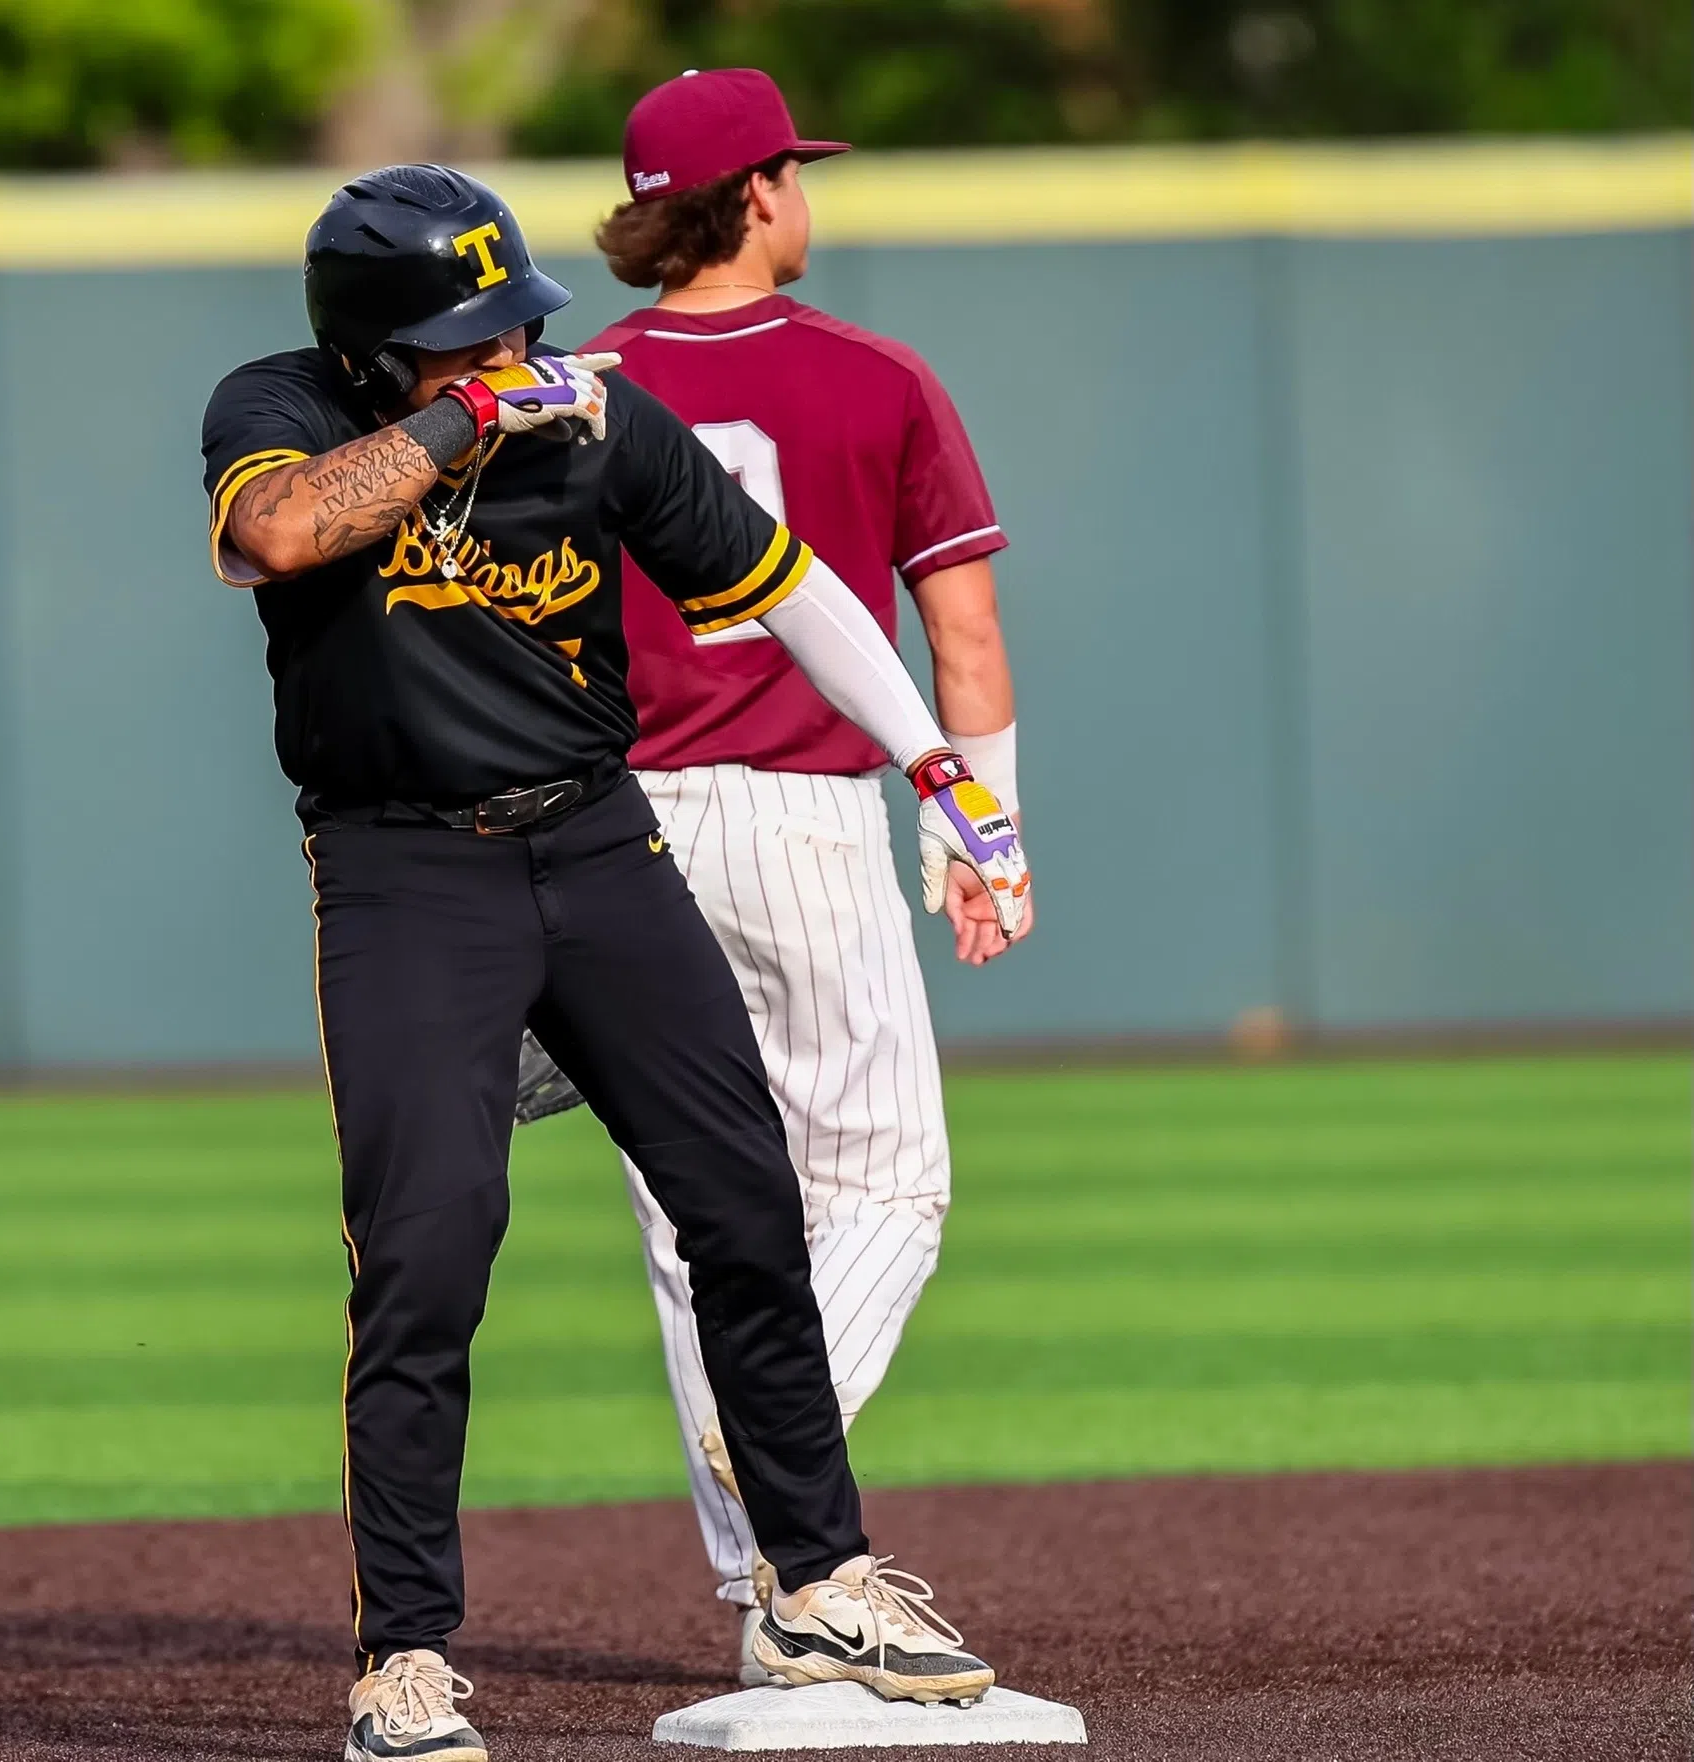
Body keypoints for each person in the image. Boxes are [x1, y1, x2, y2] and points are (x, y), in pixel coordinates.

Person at [199, 164, 1029, 1762]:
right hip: (403, 871)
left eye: (512, 318)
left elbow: (790, 587)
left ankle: (817, 1574)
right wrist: (464, 420)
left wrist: (937, 765)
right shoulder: (281, 402)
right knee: (428, 1254)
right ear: (367, 346)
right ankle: (407, 1658)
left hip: (597, 843)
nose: (503, 347)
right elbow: (282, 534)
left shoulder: (595, 416)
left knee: (744, 1197)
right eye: (462, 331)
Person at [575, 68, 1035, 1685]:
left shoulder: (573, 383)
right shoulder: (869, 375)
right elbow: (956, 629)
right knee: (889, 1180)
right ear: (756, 194)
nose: (803, 193)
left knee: (686, 1202)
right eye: (792, 170)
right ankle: (772, 1436)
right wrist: (981, 828)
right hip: (803, 811)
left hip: (610, 823)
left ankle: (767, 1593)